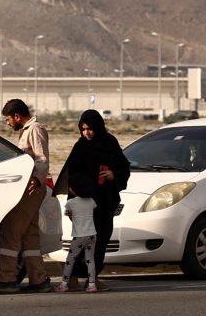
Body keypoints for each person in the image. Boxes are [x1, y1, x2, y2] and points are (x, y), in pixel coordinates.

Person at [53, 109, 130, 291]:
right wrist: (71, 205)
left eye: (90, 128)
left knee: (101, 241)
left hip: (104, 202)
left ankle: (92, 279)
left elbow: (123, 166)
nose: (86, 132)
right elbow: (71, 176)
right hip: (84, 205)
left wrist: (114, 174)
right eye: (83, 129)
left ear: (98, 127)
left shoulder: (109, 143)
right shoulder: (80, 147)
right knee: (80, 241)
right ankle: (72, 278)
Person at [0, 98, 52, 294]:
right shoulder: (27, 131)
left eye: (8, 119)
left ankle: (7, 278)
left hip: (31, 189)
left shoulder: (35, 129)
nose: (8, 123)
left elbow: (42, 158)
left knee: (11, 232)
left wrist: (37, 179)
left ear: (17, 116)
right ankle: (38, 280)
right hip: (31, 188)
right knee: (30, 237)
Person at [53, 172, 97, 293]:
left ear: (73, 189)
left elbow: (70, 216)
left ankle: (64, 284)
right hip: (92, 235)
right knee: (90, 260)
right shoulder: (91, 201)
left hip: (79, 236)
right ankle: (92, 284)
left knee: (70, 259)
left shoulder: (71, 203)